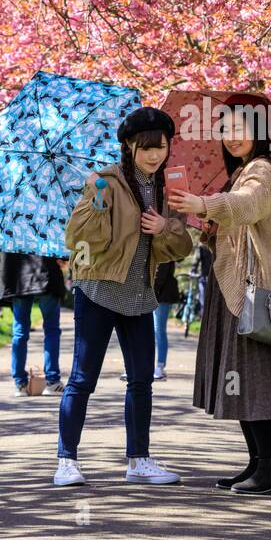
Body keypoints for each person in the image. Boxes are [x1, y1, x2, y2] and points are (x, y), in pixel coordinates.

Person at [54, 106, 194, 488]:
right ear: (129, 146)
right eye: (146, 147)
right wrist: (98, 208)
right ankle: (66, 460)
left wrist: (164, 226)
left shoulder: (170, 188)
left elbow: (182, 245)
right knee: (82, 379)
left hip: (140, 297)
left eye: (161, 147)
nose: (154, 154)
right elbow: (80, 241)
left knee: (141, 381)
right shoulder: (104, 181)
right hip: (98, 291)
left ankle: (139, 460)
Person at [168, 95, 271, 496]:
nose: (231, 136)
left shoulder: (262, 170)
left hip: (252, 291)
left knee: (254, 380)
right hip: (235, 288)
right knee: (240, 381)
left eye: (240, 128)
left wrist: (203, 203)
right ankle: (259, 464)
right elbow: (239, 224)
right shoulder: (243, 171)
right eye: (225, 129)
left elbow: (247, 206)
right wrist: (209, 226)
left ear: (259, 132)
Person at [0, 252, 65, 396]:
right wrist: (64, 257)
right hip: (46, 271)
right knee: (51, 330)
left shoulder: (10, 227)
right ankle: (52, 382)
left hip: (17, 275)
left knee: (20, 333)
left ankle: (20, 384)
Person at [151, 261, 180, 380]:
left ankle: (160, 366)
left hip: (162, 295)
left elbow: (160, 274)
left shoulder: (163, 251)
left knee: (159, 330)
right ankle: (155, 366)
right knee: (155, 330)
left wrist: (152, 292)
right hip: (158, 294)